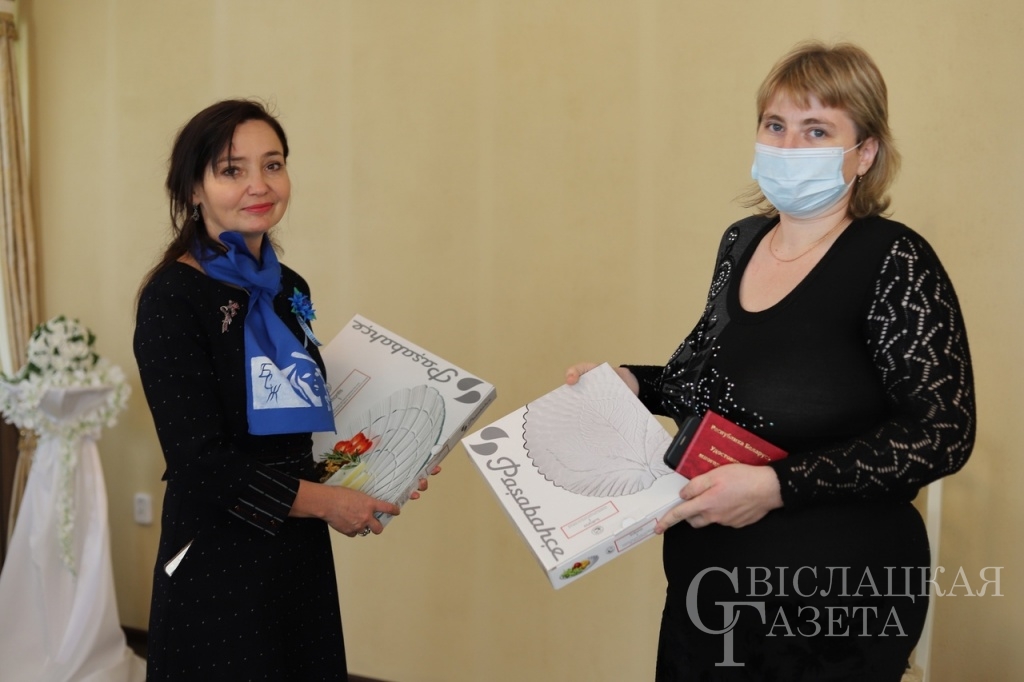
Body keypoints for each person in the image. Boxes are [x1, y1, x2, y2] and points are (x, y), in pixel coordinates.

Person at [567, 42, 975, 681]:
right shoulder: (743, 241)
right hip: (709, 594)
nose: (788, 146)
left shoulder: (893, 258)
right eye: (775, 125)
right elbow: (712, 384)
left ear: (865, 153)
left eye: (817, 131)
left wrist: (778, 486)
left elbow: (942, 433)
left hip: (832, 603)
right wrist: (631, 383)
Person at [134, 99, 420, 680]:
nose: (259, 185)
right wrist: (328, 503)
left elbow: (297, 425)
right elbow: (199, 462)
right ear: (193, 189)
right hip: (216, 557)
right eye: (231, 170)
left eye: (273, 164)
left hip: (296, 551)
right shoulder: (173, 297)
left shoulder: (289, 287)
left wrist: (389, 460)